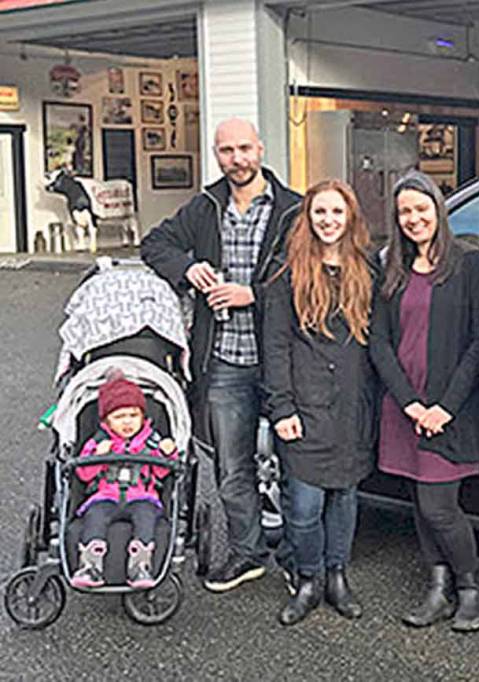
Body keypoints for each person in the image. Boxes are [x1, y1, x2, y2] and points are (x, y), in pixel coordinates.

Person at [140, 118, 303, 592]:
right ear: (217, 155)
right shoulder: (206, 205)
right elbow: (155, 244)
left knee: (296, 470)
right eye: (227, 150)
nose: (237, 158)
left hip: (285, 361)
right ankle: (248, 553)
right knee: (232, 469)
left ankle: (299, 559)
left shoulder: (293, 209)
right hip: (225, 360)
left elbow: (312, 276)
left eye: (245, 148)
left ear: (261, 149)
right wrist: (188, 267)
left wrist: (254, 294)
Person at [369, 170, 479, 632]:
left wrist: (445, 408)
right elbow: (379, 342)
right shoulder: (393, 268)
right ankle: (438, 589)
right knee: (420, 504)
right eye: (404, 212)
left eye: (421, 208)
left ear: (438, 210)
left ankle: (469, 589)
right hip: (405, 408)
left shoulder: (469, 264)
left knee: (439, 505)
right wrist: (409, 403)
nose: (413, 218)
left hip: (451, 411)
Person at [262, 178, 377, 626]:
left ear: (350, 217)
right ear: (307, 218)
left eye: (337, 212)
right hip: (304, 404)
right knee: (305, 505)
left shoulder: (367, 268)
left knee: (345, 496)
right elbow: (275, 347)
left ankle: (337, 576)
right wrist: (281, 407)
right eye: (320, 212)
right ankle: (307, 578)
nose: (329, 221)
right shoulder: (286, 273)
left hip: (351, 403)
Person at [71, 371, 178, 589]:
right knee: (95, 517)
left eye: (133, 415)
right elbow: (83, 475)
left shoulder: (151, 441)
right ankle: (90, 566)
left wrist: (167, 453)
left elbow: (161, 473)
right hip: (106, 496)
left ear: (142, 417)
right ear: (106, 421)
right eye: (119, 417)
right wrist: (97, 456)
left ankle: (140, 566)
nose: (127, 422)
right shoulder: (98, 442)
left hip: (141, 496)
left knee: (146, 517)